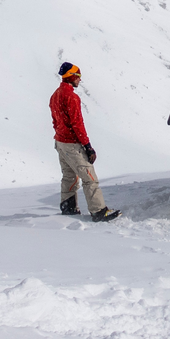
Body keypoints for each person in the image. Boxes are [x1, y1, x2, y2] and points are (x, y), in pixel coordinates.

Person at [50, 62, 120, 222]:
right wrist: (88, 147)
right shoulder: (71, 97)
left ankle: (68, 208)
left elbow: (55, 120)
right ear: (72, 76)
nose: (80, 80)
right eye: (78, 76)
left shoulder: (55, 95)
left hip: (60, 143)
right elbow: (77, 124)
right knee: (90, 178)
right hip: (72, 145)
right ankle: (99, 211)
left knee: (69, 177)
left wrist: (61, 135)